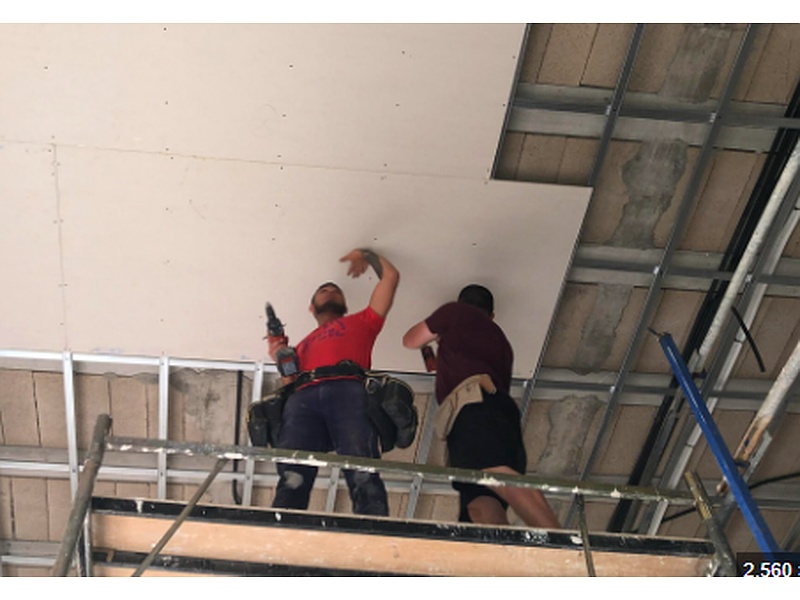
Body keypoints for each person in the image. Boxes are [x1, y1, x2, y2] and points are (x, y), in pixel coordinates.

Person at [402, 284, 560, 528]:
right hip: (490, 412)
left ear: (460, 303)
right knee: (479, 502)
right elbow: (450, 366)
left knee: (498, 475)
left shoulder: (455, 313)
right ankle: (499, 550)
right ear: (492, 315)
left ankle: (559, 539)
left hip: (475, 409)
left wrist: (433, 335)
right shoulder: (500, 342)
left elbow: (410, 340)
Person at [267, 248, 400, 516]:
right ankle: (281, 530)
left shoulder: (363, 321)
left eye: (335, 291)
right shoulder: (300, 346)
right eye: (323, 291)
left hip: (347, 388)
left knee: (362, 468)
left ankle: (373, 529)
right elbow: (289, 383)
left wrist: (366, 253)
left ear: (345, 306)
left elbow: (391, 277)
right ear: (311, 308)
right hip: (303, 396)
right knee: (293, 474)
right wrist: (280, 356)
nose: (330, 292)